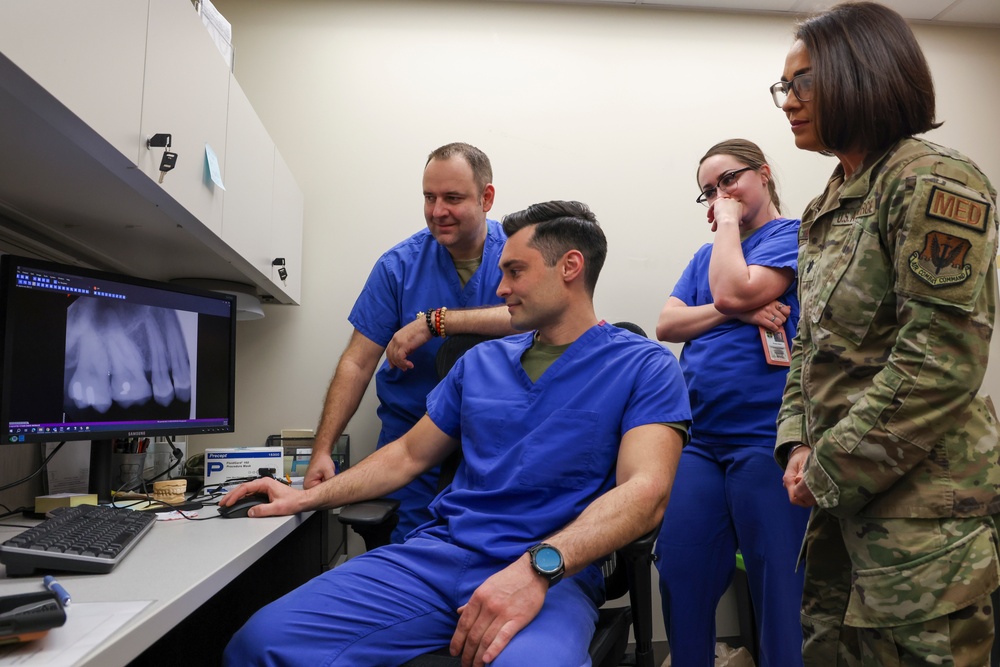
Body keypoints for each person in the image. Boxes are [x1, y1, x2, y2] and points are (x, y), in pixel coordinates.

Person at [220, 201, 691, 667]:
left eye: (515, 271)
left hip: (553, 572)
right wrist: (302, 498)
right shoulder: (480, 363)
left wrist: (537, 569)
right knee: (261, 642)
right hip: (439, 558)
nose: (501, 287)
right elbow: (406, 455)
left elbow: (645, 491)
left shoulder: (643, 366)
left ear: (570, 267)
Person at [772, 3, 1000, 665]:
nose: (788, 101)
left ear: (861, 74)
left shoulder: (929, 179)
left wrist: (830, 463)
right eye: (784, 87)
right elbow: (809, 342)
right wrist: (797, 440)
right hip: (846, 504)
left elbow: (940, 360)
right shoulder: (833, 198)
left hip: (920, 523)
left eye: (803, 82)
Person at [306, 142, 515, 542]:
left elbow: (539, 319)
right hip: (409, 452)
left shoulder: (519, 255)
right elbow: (357, 362)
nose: (438, 211)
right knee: (406, 566)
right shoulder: (398, 266)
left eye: (453, 198)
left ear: (486, 198)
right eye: (429, 197)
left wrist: (438, 322)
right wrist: (322, 449)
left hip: (495, 452)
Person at [653, 139, 808, 667]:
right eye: (707, 192)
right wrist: (737, 314)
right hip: (701, 440)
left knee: (777, 584)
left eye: (728, 181)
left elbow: (732, 290)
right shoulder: (708, 257)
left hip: (766, 438)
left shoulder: (793, 236)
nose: (718, 196)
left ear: (763, 174)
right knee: (680, 567)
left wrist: (725, 229)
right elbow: (668, 324)